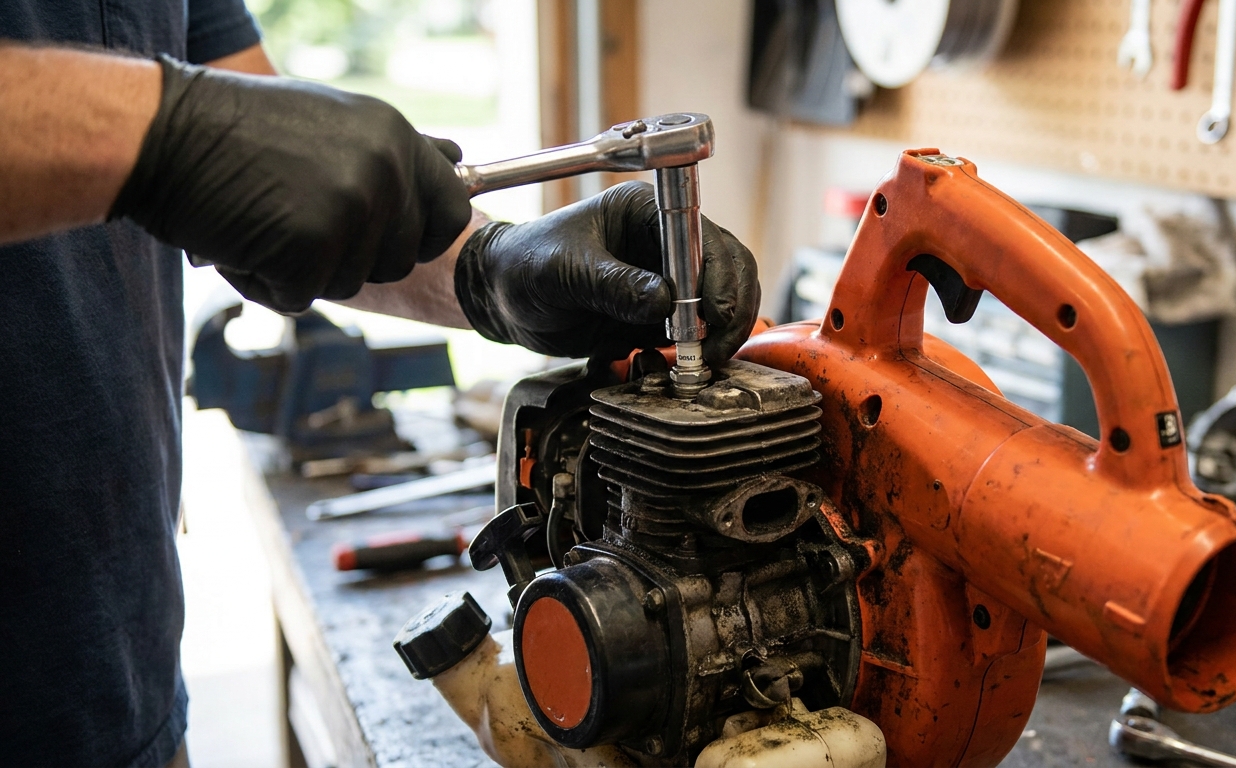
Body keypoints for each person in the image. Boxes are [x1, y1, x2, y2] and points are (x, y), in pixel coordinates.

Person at [0, 3, 759, 766]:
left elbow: (274, 185)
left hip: (124, 673)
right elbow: (206, 144)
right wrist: (168, 135)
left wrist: (487, 268)